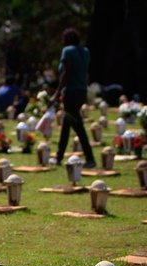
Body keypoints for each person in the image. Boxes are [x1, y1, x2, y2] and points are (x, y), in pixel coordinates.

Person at [51, 28, 95, 168]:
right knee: (67, 124)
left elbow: (66, 73)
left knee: (78, 126)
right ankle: (59, 157)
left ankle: (90, 158)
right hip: (81, 91)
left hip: (70, 92)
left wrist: (57, 92)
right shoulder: (86, 52)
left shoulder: (67, 51)